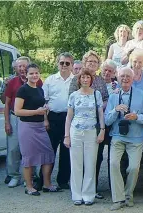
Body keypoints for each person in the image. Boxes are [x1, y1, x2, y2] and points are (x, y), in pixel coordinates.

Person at [105, 67, 143, 210]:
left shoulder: (141, 95)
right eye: (122, 76)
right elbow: (107, 121)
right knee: (114, 164)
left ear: (133, 78)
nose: (125, 78)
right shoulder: (113, 96)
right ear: (117, 78)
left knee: (134, 168)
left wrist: (136, 117)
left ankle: (128, 195)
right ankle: (118, 199)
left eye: (128, 76)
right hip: (117, 136)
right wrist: (115, 110)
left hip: (136, 137)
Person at [14, 63, 61, 195]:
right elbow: (17, 111)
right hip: (27, 127)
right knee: (28, 157)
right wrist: (36, 111)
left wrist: (45, 116)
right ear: (26, 75)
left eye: (36, 73)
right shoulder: (22, 90)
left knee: (49, 155)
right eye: (31, 73)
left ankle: (47, 184)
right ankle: (29, 187)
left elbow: (42, 106)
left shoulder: (40, 89)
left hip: (40, 127)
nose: (34, 75)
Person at [69, 50, 109, 199]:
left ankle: (91, 189)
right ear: (84, 63)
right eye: (89, 61)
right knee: (77, 160)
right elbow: (71, 103)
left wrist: (99, 106)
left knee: (94, 158)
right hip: (77, 126)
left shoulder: (100, 81)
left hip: (96, 124)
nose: (92, 64)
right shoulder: (76, 80)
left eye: (95, 62)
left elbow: (106, 98)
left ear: (98, 65)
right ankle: (76, 191)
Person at [64, 69, 105, 205]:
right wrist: (67, 136)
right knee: (76, 164)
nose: (85, 79)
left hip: (91, 132)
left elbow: (100, 114)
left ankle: (88, 194)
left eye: (88, 77)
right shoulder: (74, 96)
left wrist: (102, 130)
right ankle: (76, 194)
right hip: (75, 131)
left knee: (90, 163)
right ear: (79, 79)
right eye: (83, 77)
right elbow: (69, 117)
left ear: (91, 79)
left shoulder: (96, 94)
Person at [4, 56, 43, 188]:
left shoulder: (38, 82)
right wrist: (7, 122)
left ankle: (33, 176)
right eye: (19, 66)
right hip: (16, 117)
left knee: (32, 148)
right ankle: (14, 175)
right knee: (13, 148)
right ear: (16, 68)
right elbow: (7, 103)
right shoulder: (12, 82)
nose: (21, 68)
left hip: (33, 120)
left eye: (24, 66)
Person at [41, 52, 75, 190]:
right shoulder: (50, 80)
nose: (64, 65)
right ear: (58, 64)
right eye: (62, 63)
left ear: (72, 65)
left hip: (69, 118)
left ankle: (63, 180)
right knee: (49, 150)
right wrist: (45, 120)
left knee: (66, 152)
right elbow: (43, 102)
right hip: (53, 118)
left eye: (67, 63)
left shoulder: (76, 80)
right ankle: (43, 180)